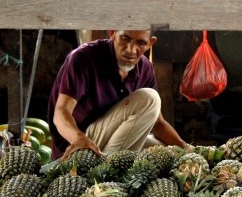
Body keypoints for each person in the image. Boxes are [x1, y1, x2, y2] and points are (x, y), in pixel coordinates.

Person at [48, 30, 189, 161]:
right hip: (79, 145)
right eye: (125, 39)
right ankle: (105, 170)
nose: (131, 50)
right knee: (150, 98)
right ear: (112, 33)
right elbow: (61, 113)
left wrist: (185, 147)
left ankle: (108, 165)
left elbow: (157, 124)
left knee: (166, 151)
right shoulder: (84, 57)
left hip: (111, 141)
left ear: (150, 43)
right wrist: (79, 140)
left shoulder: (145, 69)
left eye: (140, 43)